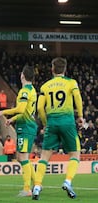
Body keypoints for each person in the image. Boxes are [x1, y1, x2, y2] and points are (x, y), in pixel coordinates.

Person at [32, 57, 84, 200]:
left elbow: (40, 108)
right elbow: (77, 98)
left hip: (52, 122)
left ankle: (37, 186)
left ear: (52, 69)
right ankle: (67, 181)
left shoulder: (45, 86)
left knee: (44, 157)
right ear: (65, 69)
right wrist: (80, 115)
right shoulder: (71, 83)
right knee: (75, 154)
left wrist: (45, 123)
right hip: (67, 121)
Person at [0, 65, 37, 197]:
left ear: (22, 76)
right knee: (21, 157)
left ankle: (27, 189)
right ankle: (37, 184)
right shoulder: (32, 90)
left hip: (26, 127)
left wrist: (3, 112)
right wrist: (12, 119)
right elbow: (24, 111)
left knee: (22, 157)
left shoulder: (25, 91)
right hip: (25, 125)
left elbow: (20, 109)